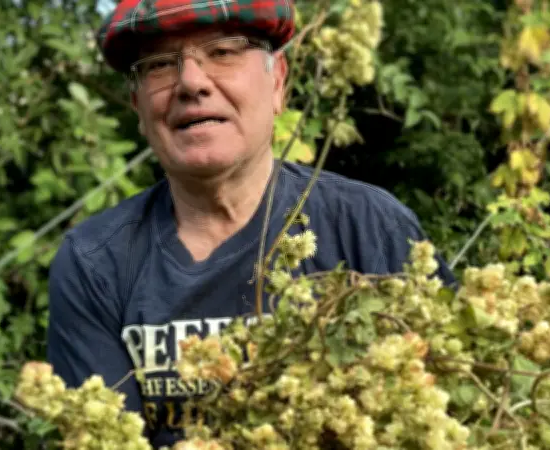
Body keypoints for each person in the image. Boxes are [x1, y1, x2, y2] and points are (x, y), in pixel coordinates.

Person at [45, 0, 456, 447]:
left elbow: (450, 404)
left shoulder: (370, 229)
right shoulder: (95, 263)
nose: (191, 82)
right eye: (161, 65)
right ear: (138, 107)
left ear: (278, 83)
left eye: (223, 52)